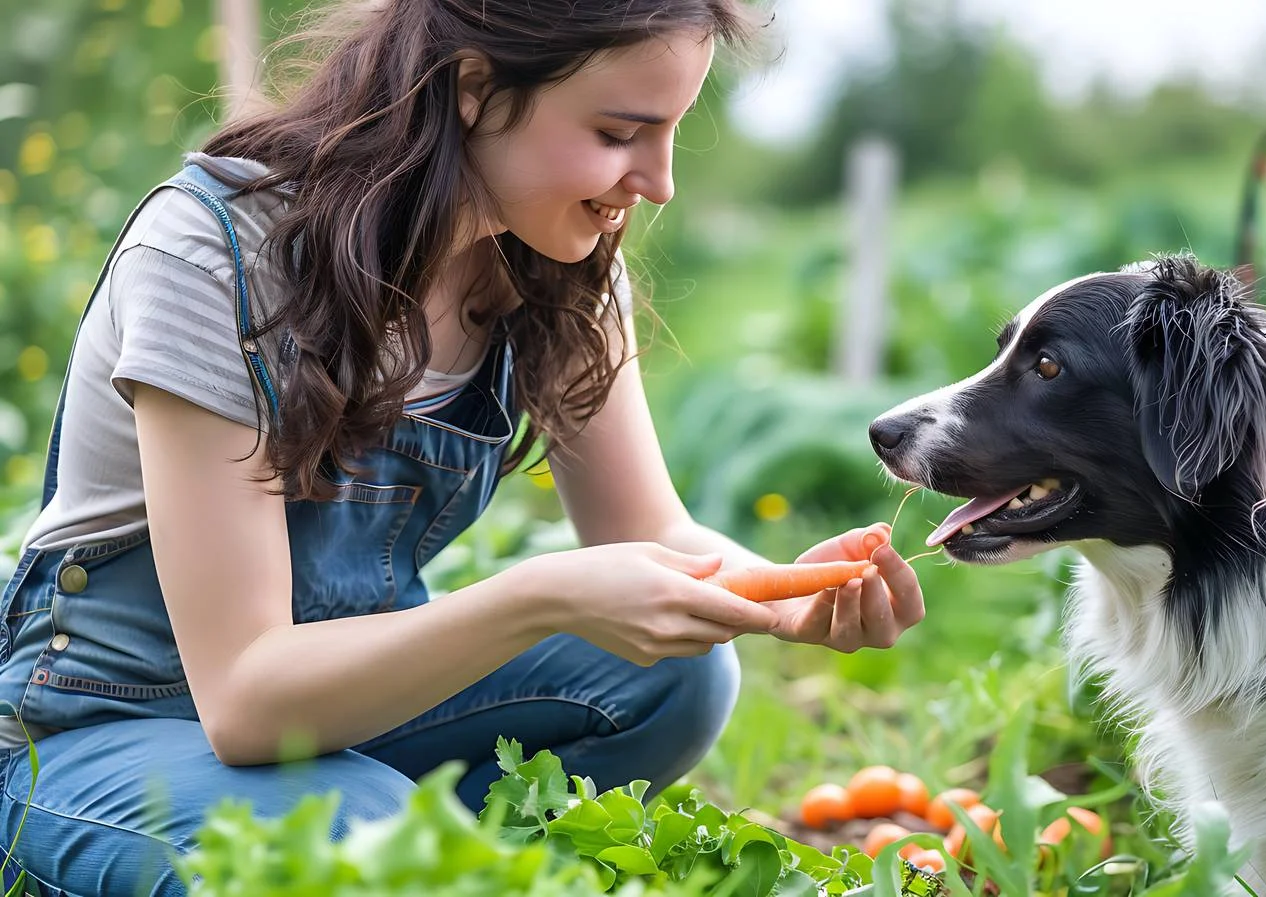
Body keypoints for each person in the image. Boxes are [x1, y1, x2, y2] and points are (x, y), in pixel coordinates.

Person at [0, 1, 926, 893]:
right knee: (366, 835)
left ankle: (416, 856)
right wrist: (538, 595)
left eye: (671, 132)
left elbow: (651, 533)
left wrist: (782, 596)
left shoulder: (553, 266)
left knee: (678, 673)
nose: (658, 182)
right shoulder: (218, 252)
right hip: (104, 725)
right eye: (618, 133)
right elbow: (246, 698)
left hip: (343, 714)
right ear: (474, 87)